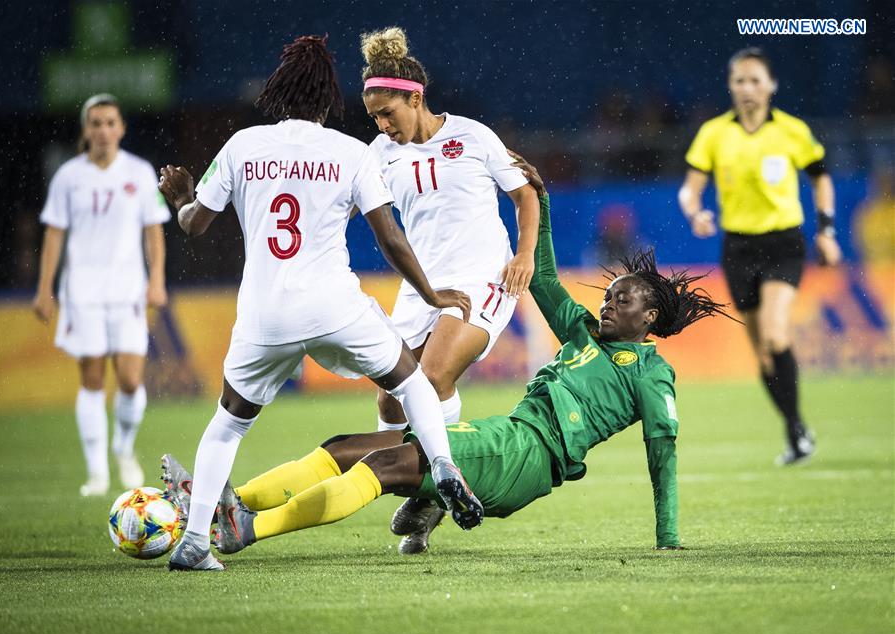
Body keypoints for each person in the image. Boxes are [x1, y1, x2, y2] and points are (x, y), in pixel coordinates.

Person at [162, 154, 735, 560]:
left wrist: (668, 538)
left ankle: (248, 529)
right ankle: (220, 505)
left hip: (526, 459)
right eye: (609, 296)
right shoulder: (585, 336)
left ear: (651, 316)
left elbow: (663, 454)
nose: (608, 305)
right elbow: (542, 278)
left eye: (622, 300)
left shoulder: (655, 375)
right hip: (505, 435)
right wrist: (542, 205)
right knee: (344, 448)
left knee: (382, 468)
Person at [156, 35, 483, 572]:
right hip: (333, 307)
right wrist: (432, 295)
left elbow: (195, 223)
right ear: (330, 101)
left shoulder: (243, 144)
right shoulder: (351, 152)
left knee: (229, 424)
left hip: (263, 314)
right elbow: (391, 239)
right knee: (411, 382)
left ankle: (194, 542)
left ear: (277, 94)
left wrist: (182, 197)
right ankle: (443, 467)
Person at [359, 27, 540, 552]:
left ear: (415, 98)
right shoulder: (378, 154)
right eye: (374, 116)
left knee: (432, 376)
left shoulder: (473, 137)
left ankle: (437, 489)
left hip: (483, 279)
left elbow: (525, 195)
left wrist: (524, 254)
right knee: (392, 399)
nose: (382, 123)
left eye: (388, 112)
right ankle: (424, 484)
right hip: (422, 287)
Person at [677, 47, 843, 466]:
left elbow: (821, 179)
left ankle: (795, 429)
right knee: (763, 353)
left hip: (783, 243)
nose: (748, 88)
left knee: (774, 332)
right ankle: (796, 428)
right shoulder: (714, 133)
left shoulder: (791, 131)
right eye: (739, 81)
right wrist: (696, 212)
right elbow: (689, 188)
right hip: (738, 248)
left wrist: (826, 231)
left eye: (755, 80)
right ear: (730, 87)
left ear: (771, 86)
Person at [33, 93, 169, 497]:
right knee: (92, 379)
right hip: (82, 293)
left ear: (121, 128)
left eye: (110, 122)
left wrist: (157, 279)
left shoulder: (140, 173)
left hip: (127, 289)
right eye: (96, 123)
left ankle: (123, 448)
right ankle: (96, 472)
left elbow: (154, 232)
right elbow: (54, 235)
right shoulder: (69, 177)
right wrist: (45, 289)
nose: (104, 130)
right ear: (85, 129)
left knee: (129, 379)